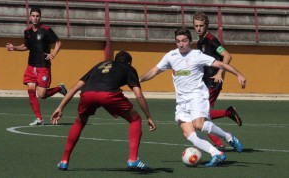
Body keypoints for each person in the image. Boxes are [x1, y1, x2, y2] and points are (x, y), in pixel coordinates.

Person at [140, 27, 245, 167]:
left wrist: (238, 74)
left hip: (197, 95)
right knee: (189, 134)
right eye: (178, 41)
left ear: (190, 41)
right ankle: (217, 154)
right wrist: (138, 80)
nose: (181, 44)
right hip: (181, 101)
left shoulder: (197, 55)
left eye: (184, 41)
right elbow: (155, 70)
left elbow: (220, 63)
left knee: (198, 125)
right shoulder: (171, 56)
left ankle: (228, 137)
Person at [51, 51, 156, 171]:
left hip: (88, 94)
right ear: (129, 62)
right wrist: (148, 117)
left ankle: (64, 161)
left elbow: (75, 87)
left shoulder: (100, 65)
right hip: (109, 95)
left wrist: (60, 107)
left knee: (79, 123)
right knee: (135, 119)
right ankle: (133, 159)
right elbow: (138, 95)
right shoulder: (129, 68)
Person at [6, 7, 67, 126]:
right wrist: (14, 48)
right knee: (30, 91)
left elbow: (58, 42)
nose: (35, 18)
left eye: (37, 16)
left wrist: (53, 54)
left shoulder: (46, 30)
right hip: (31, 65)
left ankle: (60, 88)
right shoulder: (27, 32)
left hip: (43, 65)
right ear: (30, 17)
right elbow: (26, 46)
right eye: (33, 16)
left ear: (40, 17)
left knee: (42, 95)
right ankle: (39, 119)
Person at [193, 11, 243, 150]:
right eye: (196, 26)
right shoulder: (200, 42)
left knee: (202, 116)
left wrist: (220, 72)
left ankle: (228, 114)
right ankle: (219, 143)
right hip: (204, 81)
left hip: (212, 81)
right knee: (203, 116)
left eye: (201, 25)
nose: (198, 28)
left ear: (206, 25)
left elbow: (227, 56)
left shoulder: (211, 39)